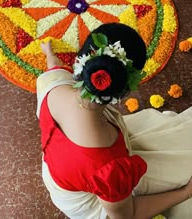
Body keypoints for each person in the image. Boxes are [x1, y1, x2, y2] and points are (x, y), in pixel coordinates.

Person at [36, 22, 192, 219]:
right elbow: (126, 215)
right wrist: (185, 192)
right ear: (125, 91)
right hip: (95, 202)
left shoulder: (54, 85)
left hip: (59, 174)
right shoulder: (109, 165)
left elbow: (54, 69)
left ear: (81, 61)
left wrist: (49, 53)